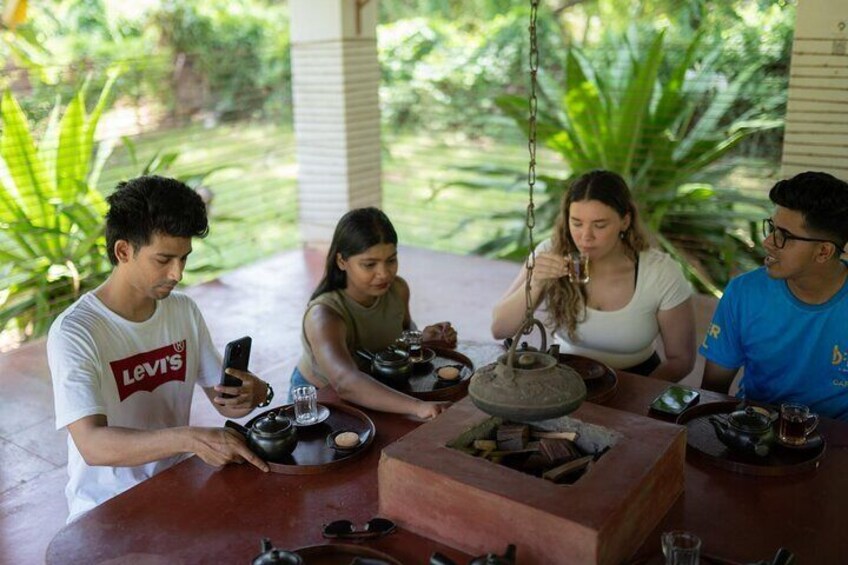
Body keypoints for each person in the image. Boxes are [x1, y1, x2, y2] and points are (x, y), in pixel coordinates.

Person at [48, 176, 271, 523]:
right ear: (123, 251)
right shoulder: (77, 331)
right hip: (106, 507)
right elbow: (92, 445)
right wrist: (190, 439)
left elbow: (225, 402)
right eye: (164, 259)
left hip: (176, 483)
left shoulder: (183, 311)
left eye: (184, 258)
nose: (177, 273)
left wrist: (254, 393)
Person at [491, 169, 695, 381]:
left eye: (600, 225)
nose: (585, 237)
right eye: (577, 223)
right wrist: (537, 282)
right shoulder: (551, 252)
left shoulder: (659, 272)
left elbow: (681, 359)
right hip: (563, 374)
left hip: (637, 379)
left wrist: (637, 398)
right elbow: (500, 328)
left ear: (625, 221)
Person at [700, 171, 848, 420]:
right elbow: (712, 392)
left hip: (837, 443)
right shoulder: (744, 292)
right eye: (772, 228)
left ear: (823, 252)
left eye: (784, 236)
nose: (768, 242)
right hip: (756, 428)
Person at [292, 207, 456, 419]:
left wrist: (423, 338)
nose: (384, 273)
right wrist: (419, 407)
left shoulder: (398, 289)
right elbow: (345, 382)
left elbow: (399, 340)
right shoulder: (324, 315)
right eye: (369, 264)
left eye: (391, 260)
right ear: (342, 261)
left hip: (377, 386)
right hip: (321, 402)